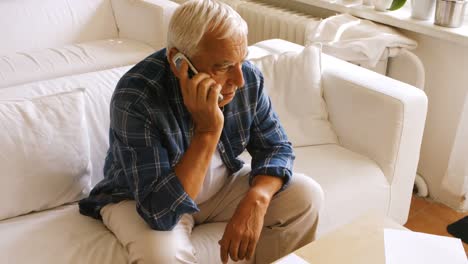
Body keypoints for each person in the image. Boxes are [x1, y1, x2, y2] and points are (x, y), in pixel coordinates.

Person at [79, 0, 324, 263]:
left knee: (306, 195)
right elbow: (161, 212)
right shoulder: (136, 97)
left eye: (242, 61)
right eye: (224, 66)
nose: (239, 80)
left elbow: (276, 147)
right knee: (161, 256)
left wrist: (257, 199)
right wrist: (208, 130)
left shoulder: (247, 79)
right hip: (142, 198)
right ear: (179, 63)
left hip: (219, 188)